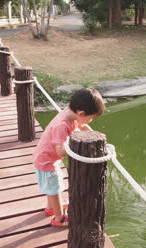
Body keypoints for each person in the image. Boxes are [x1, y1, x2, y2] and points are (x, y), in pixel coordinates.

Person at [33, 88, 105, 227]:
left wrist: (94, 136)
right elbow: (60, 151)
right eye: (91, 118)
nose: (90, 121)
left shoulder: (71, 113)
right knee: (55, 188)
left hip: (48, 159)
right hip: (47, 161)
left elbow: (81, 125)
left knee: (53, 186)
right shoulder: (62, 125)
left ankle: (51, 208)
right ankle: (59, 218)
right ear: (81, 113)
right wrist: (78, 146)